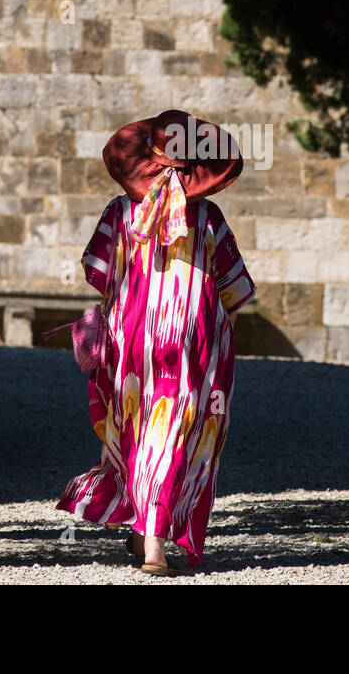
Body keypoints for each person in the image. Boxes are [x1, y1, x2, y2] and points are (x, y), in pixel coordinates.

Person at [57, 109, 255, 576]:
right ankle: (155, 545)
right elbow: (235, 291)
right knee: (177, 438)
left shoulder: (119, 213)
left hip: (132, 346)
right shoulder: (208, 218)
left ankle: (148, 535)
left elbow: (97, 275)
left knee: (138, 434)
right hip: (193, 347)